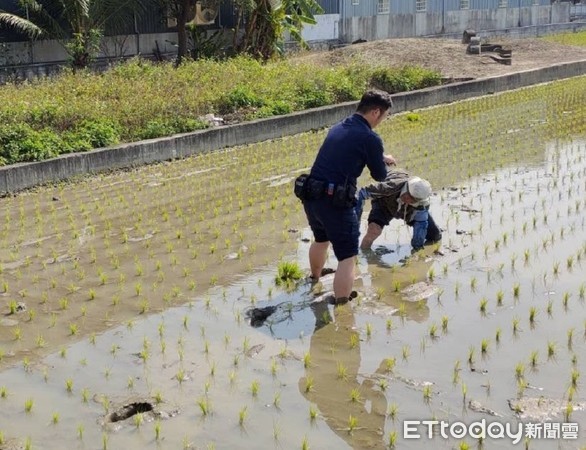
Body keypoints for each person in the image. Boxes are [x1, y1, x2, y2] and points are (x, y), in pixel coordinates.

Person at [301, 89, 395, 305]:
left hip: (312, 195)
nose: (382, 121)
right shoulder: (370, 137)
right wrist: (382, 162)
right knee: (347, 255)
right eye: (384, 116)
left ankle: (314, 277)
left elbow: (348, 150)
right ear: (376, 112)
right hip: (335, 201)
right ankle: (342, 302)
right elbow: (379, 175)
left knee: (321, 239)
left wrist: (379, 155)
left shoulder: (340, 126)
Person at [356, 170, 442, 250]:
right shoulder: (391, 187)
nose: (408, 199)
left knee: (434, 236)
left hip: (409, 211)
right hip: (384, 204)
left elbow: (421, 226)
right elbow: (362, 193)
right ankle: (362, 252)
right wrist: (356, 220)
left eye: (412, 200)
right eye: (408, 195)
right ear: (407, 188)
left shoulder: (421, 205)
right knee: (374, 230)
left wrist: (416, 250)